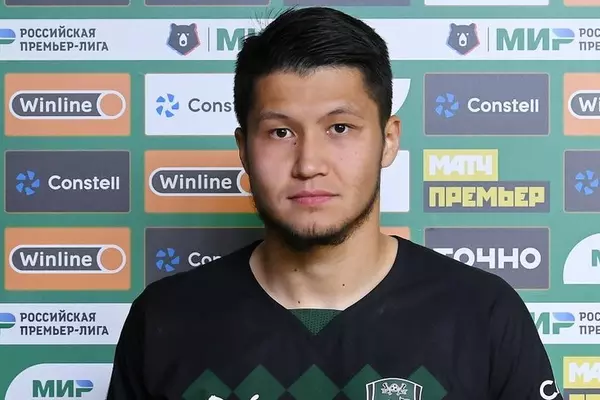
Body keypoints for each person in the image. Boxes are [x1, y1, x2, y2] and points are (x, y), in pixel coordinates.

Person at [106, 6, 562, 400]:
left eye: (339, 128)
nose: (309, 164)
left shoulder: (482, 314)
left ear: (388, 140)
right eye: (280, 132)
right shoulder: (166, 319)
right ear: (244, 149)